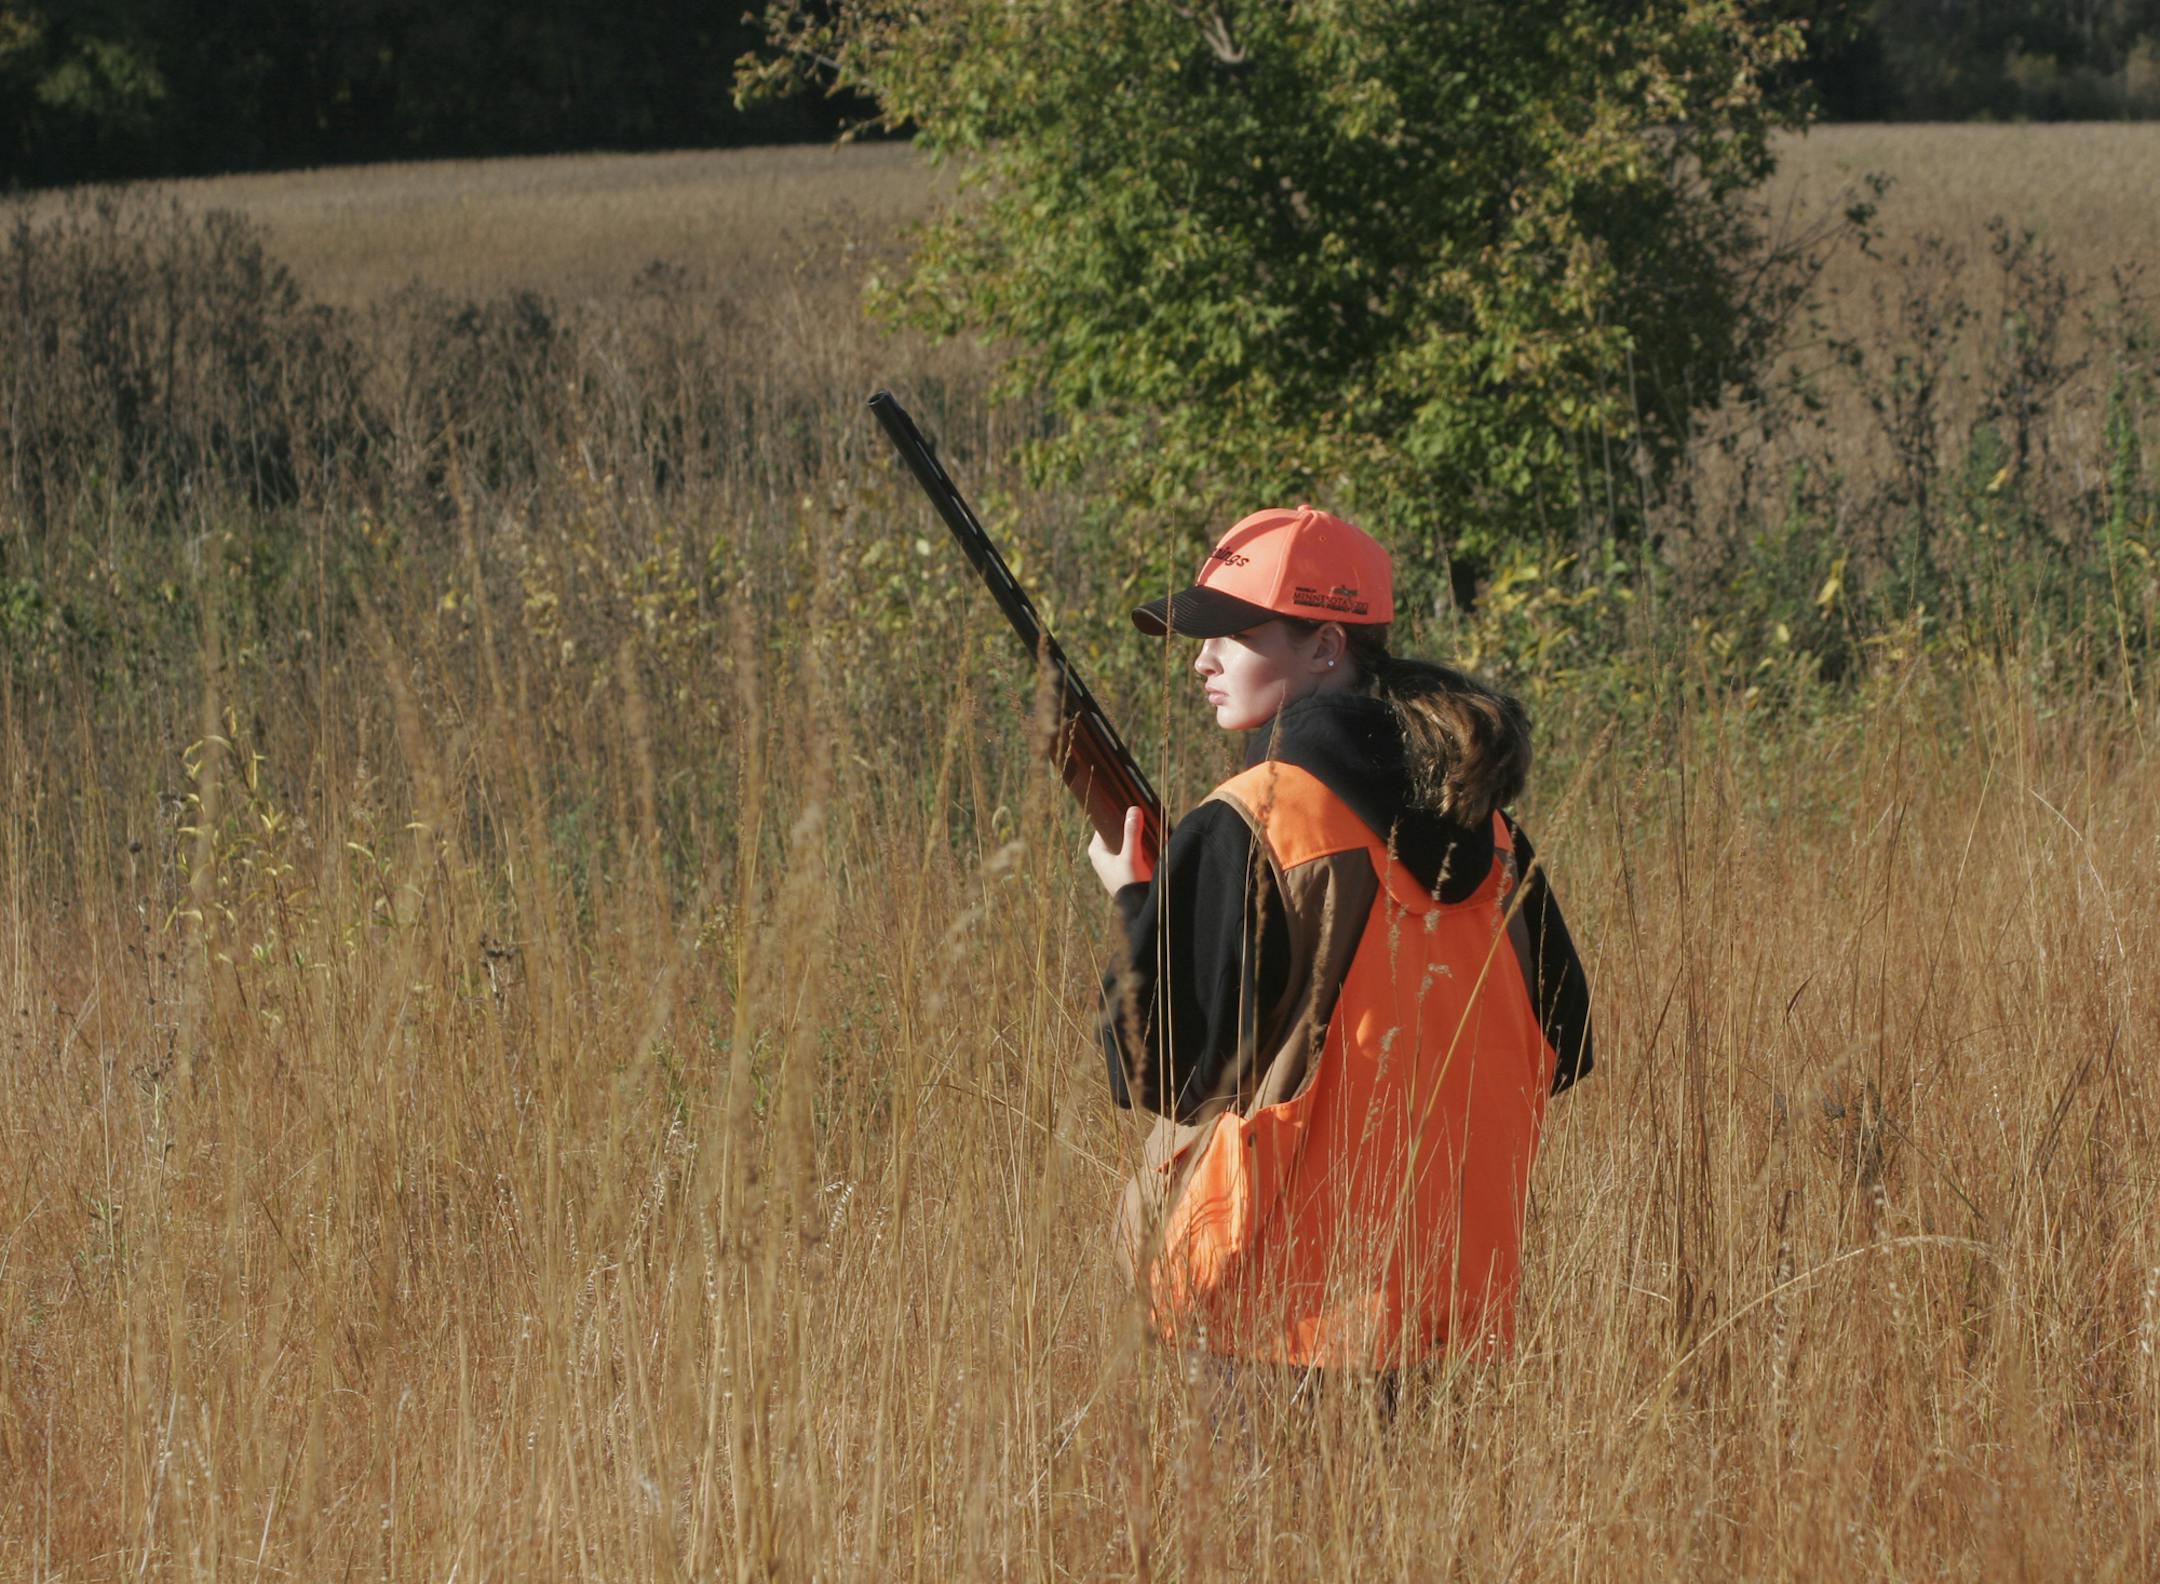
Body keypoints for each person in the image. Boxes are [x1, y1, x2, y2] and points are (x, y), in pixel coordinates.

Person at [1089, 504, 1592, 1375]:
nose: (1203, 660)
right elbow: (1566, 1045)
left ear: (1325, 646)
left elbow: (1154, 1067)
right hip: (1455, 1321)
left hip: (1268, 1323)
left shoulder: (1252, 819)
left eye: (1235, 635)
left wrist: (1139, 902)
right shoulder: (1496, 837)